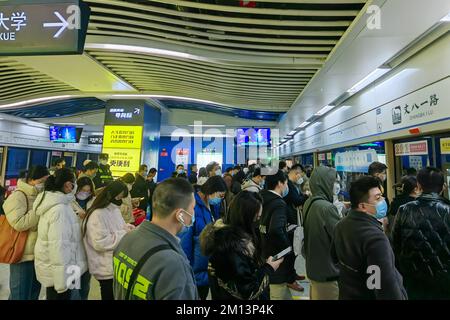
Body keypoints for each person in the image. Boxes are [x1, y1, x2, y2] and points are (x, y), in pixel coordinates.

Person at [113, 178, 199, 300]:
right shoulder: (174, 264)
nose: (193, 213)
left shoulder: (127, 238)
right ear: (180, 214)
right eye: (193, 208)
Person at [331, 176, 407, 300]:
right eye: (377, 198)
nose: (383, 200)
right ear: (362, 206)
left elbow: (334, 258)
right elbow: (382, 284)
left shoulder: (340, 225)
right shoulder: (375, 238)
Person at [200, 191, 283, 300]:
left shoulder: (225, 239)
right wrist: (268, 268)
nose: (257, 222)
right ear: (246, 217)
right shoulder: (231, 248)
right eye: (256, 218)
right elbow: (249, 291)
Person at [392, 167, 450, 299]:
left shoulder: (404, 210)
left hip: (413, 280)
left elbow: (396, 245)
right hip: (445, 283)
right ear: (443, 187)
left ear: (418, 185)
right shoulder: (448, 210)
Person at [33, 168, 87, 300]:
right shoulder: (60, 209)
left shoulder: (58, 202)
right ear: (68, 185)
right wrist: (62, 284)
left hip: (64, 268)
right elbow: (59, 247)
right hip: (64, 273)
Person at [3, 165, 49, 300]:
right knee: (20, 295)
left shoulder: (41, 196)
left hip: (37, 255)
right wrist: (39, 209)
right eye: (41, 181)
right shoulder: (18, 196)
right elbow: (19, 223)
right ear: (31, 180)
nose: (43, 185)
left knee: (33, 293)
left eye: (45, 182)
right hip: (21, 255)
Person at [83, 180, 134, 300]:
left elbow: (118, 228)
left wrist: (128, 228)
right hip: (105, 267)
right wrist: (124, 233)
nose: (120, 199)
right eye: (119, 196)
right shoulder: (97, 214)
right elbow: (100, 242)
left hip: (116, 265)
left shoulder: (114, 210)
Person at [180, 176, 227, 300]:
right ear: (212, 190)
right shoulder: (192, 206)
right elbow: (185, 241)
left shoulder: (212, 206)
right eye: (220, 196)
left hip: (205, 266)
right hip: (194, 268)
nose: (220, 200)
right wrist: (187, 269)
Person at [302, 166, 341, 300]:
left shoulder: (309, 202)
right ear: (324, 183)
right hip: (328, 271)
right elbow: (339, 237)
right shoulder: (327, 208)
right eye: (333, 181)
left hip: (314, 268)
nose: (336, 185)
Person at [259, 170, 292, 300]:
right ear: (279, 183)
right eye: (286, 183)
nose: (286, 187)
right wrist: (287, 248)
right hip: (276, 257)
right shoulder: (279, 203)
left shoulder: (260, 197)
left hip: (262, 252)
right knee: (277, 291)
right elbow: (276, 229)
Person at [283, 164, 309, 292]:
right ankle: (289, 279)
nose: (301, 177)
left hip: (293, 220)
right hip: (290, 222)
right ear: (295, 172)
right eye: (300, 174)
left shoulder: (293, 185)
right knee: (291, 251)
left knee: (294, 250)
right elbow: (296, 200)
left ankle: (292, 274)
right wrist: (306, 196)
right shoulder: (288, 185)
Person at [70, 176, 95, 300]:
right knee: (73, 285)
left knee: (85, 285)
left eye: (88, 191)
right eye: (82, 190)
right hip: (73, 249)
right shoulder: (68, 201)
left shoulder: (93, 202)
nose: (84, 193)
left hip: (87, 249)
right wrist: (76, 214)